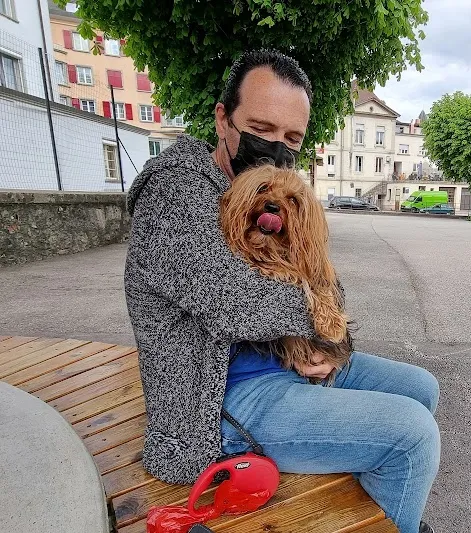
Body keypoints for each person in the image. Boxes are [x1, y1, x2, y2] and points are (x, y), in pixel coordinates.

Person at [124, 49, 440, 533]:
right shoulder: (176, 191)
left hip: (287, 364)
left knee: (422, 388)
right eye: (262, 128)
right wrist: (319, 309)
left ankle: (376, 506)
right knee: (412, 435)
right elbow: (237, 302)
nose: (276, 148)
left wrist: (334, 348)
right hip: (221, 405)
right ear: (223, 120)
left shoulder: (267, 191)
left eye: (291, 138)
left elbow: (322, 272)